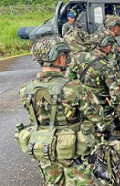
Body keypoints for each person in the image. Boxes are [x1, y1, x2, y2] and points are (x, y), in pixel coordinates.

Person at [16, 36, 106, 185]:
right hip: (74, 154)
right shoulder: (74, 88)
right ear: (60, 58)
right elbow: (98, 116)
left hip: (45, 151)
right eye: (64, 56)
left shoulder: (26, 90)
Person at [67, 34, 120, 133]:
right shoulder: (106, 66)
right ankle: (105, 135)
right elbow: (115, 92)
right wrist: (116, 104)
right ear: (107, 46)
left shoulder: (79, 57)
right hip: (101, 100)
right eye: (110, 45)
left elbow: (69, 78)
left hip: (83, 97)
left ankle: (117, 122)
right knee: (106, 116)